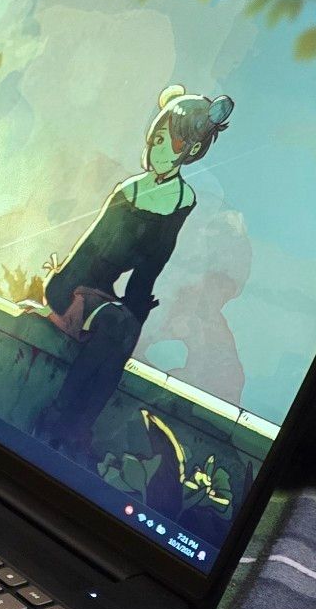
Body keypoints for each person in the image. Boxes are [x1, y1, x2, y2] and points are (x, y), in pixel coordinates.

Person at [29, 84, 233, 460]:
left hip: (107, 298)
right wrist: (65, 295)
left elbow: (152, 266)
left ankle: (75, 429)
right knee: (115, 326)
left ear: (189, 149)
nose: (157, 147)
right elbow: (89, 250)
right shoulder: (129, 191)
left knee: (123, 327)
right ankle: (58, 421)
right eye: (156, 137)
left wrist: (135, 312)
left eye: (168, 141)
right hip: (77, 287)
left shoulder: (182, 201)